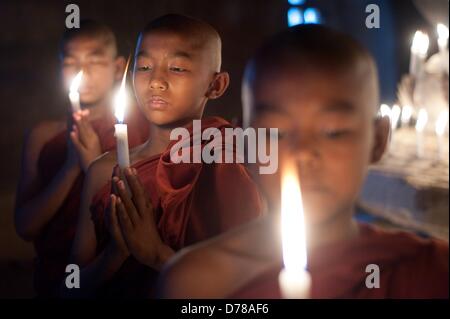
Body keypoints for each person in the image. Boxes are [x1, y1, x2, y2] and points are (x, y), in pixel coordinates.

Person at [157, 25, 449, 299]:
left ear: (378, 140)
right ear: (244, 141)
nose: (304, 153)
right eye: (279, 132)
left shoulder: (430, 270)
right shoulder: (199, 284)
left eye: (334, 131)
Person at [68, 14, 262, 298]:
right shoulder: (103, 170)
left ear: (216, 85)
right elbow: (68, 289)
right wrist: (116, 252)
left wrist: (156, 254)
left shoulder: (230, 165)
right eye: (144, 66)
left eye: (177, 68)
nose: (156, 81)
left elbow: (248, 287)